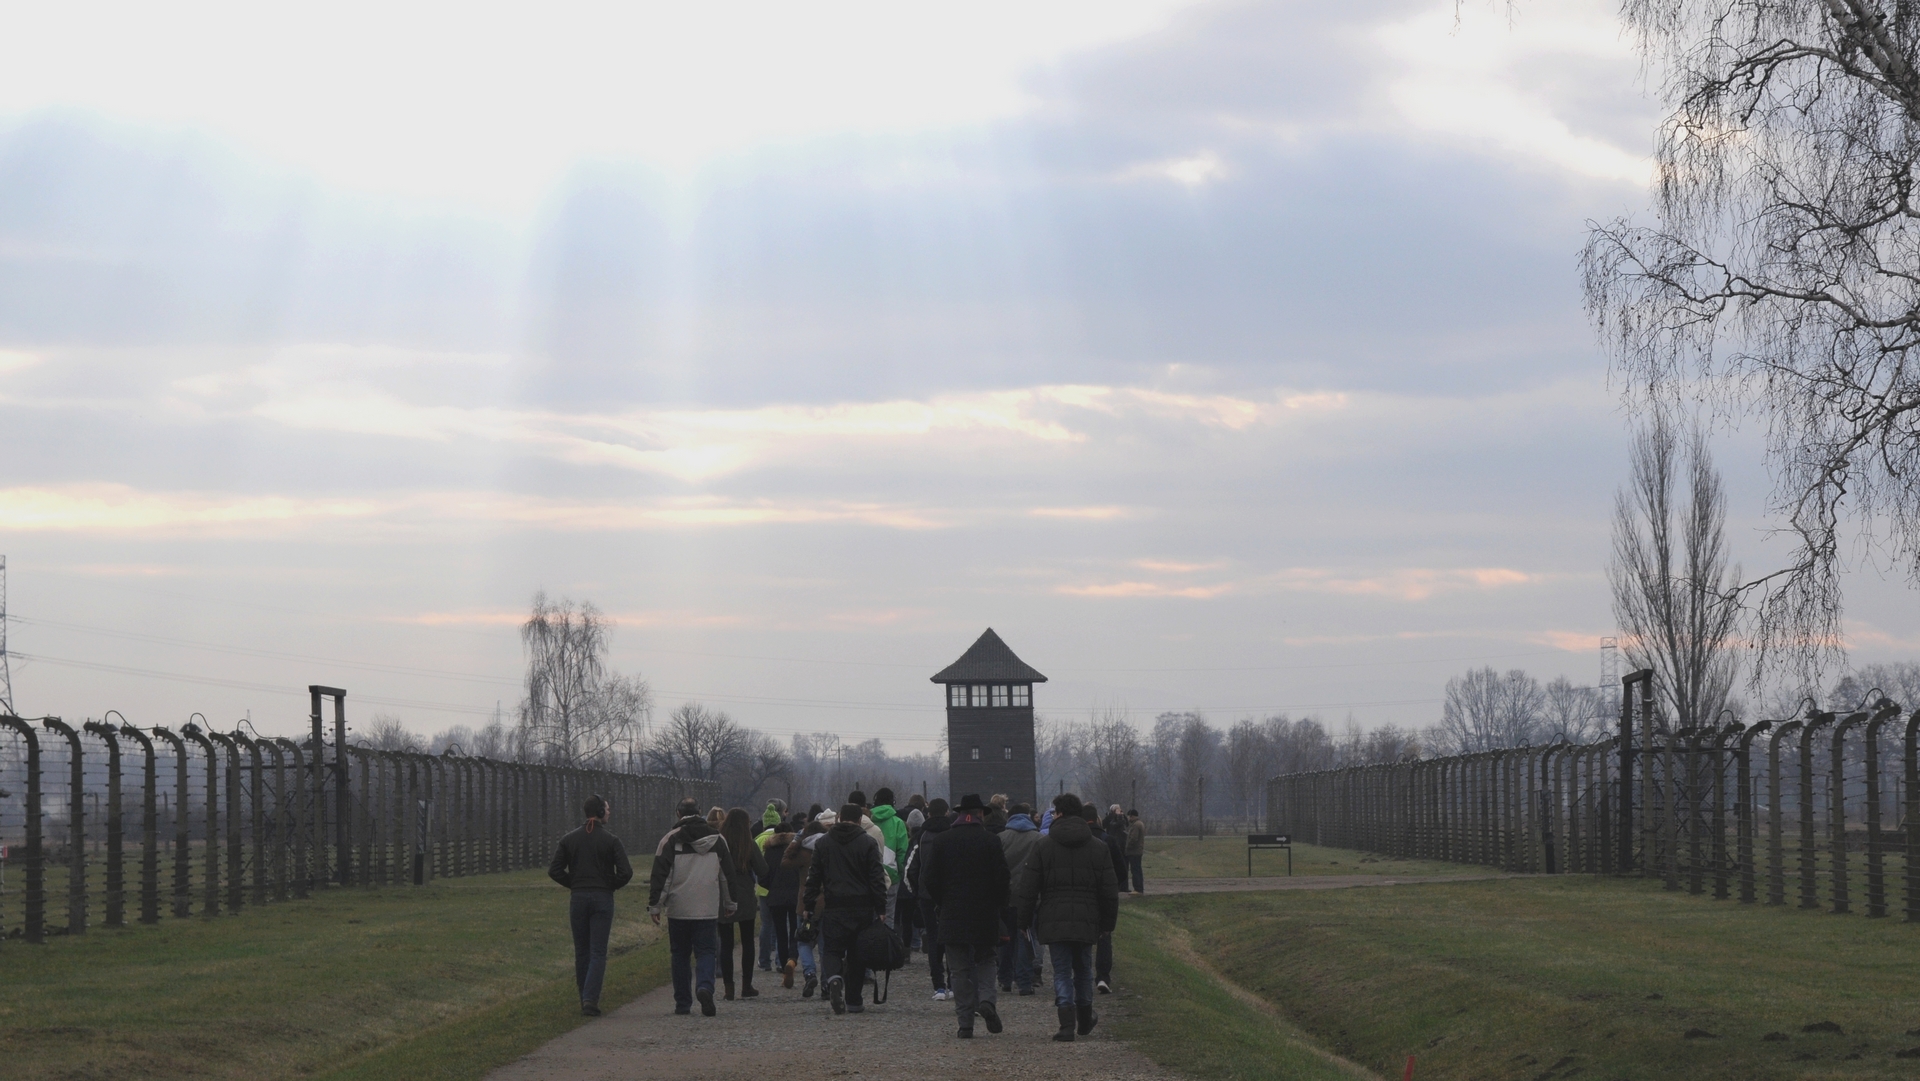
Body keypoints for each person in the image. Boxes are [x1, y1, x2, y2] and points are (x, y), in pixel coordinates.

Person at [1016, 793, 1119, 1042]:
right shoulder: (1099, 847)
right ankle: (1085, 1018)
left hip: (1054, 916)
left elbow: (1028, 888)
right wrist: (1108, 924)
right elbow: (1109, 890)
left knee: (1061, 970)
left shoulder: (1043, 846)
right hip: (1087, 917)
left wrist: (1023, 921)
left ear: (1058, 814)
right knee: (1083, 968)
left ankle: (1066, 1025)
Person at [920, 793, 1009, 1039]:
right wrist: (1000, 904)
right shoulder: (990, 841)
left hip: (953, 912)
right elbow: (1003, 878)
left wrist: (942, 902)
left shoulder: (943, 841)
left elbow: (929, 878)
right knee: (987, 961)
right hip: (985, 912)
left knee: (958, 970)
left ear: (959, 814)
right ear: (980, 814)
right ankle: (987, 1002)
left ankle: (965, 1024)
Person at [649, 796, 737, 1016]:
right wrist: (730, 902)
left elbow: (661, 876)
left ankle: (682, 1003)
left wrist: (656, 906)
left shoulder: (670, 840)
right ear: (700, 812)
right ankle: (705, 987)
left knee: (679, 955)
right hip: (707, 908)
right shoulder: (718, 840)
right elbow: (727, 876)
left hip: (679, 908)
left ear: (678, 814)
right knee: (706, 952)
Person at [547, 793, 634, 1017]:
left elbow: (554, 870)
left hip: (578, 898)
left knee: (582, 951)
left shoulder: (568, 839)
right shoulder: (611, 840)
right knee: (598, 951)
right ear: (601, 812)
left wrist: (574, 884)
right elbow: (626, 872)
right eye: (607, 808)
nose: (610, 812)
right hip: (602, 898)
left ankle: (583, 995)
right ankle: (590, 998)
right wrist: (609, 885)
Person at [803, 802, 888, 1015]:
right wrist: (880, 906)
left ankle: (833, 979)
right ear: (860, 820)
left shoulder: (824, 843)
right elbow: (876, 878)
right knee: (857, 954)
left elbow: (814, 877)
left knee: (832, 949)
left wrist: (809, 904)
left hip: (834, 906)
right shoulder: (868, 843)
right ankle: (854, 1000)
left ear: (839, 818)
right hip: (862, 907)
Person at [903, 797, 952, 1001]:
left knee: (933, 938)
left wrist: (917, 892)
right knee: (953, 939)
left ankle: (938, 986)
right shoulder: (953, 834)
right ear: (947, 812)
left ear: (928, 813)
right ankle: (954, 983)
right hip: (952, 896)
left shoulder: (921, 836)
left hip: (927, 896)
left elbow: (910, 870)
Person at [716, 808, 768, 1000]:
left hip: (723, 894)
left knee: (726, 944)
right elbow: (762, 870)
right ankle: (747, 985)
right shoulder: (749, 844)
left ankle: (729, 987)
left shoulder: (719, 843)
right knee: (747, 943)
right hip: (745, 895)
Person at [996, 803, 1042, 994]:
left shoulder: (1001, 838)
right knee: (1026, 937)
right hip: (1030, 896)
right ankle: (1024, 982)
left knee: (1006, 938)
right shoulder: (1038, 839)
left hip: (1006, 895)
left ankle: (1005, 979)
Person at [1083, 802, 1125, 994]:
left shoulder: (1077, 840)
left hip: (1083, 894)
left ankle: (1081, 976)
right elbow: (1122, 870)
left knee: (1082, 937)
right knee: (1104, 934)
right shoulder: (1108, 840)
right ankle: (1103, 976)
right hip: (1105, 894)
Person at [783, 813, 827, 997]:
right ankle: (827, 982)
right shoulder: (828, 848)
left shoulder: (803, 852)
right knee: (826, 944)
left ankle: (809, 973)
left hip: (805, 901)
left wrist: (796, 840)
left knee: (803, 940)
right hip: (827, 901)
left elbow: (784, 863)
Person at [761, 814, 801, 987]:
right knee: (795, 929)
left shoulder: (769, 851)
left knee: (779, 931)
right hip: (795, 895)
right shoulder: (797, 850)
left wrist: (770, 888)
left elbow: (763, 876)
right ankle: (792, 959)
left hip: (775, 897)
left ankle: (782, 963)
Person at [1125, 809, 1146, 894]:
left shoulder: (1136, 825)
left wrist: (1127, 847)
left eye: (1129, 817)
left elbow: (1133, 839)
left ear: (1132, 816)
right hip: (1138, 851)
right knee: (1138, 869)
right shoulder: (1140, 823)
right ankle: (1139, 887)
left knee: (1135, 870)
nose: (1128, 819)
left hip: (1134, 852)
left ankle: (1137, 888)